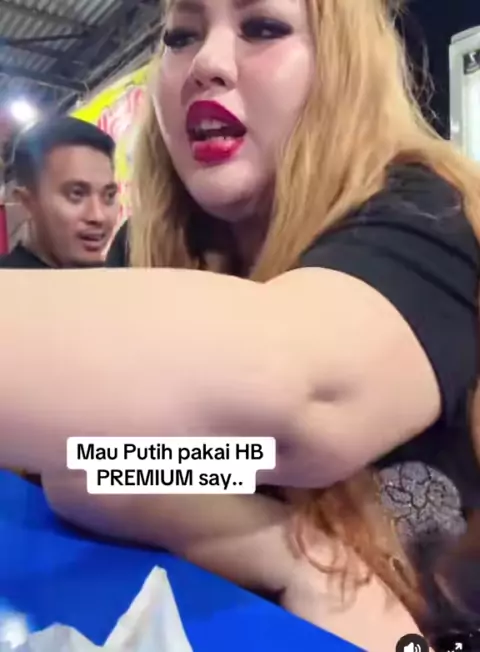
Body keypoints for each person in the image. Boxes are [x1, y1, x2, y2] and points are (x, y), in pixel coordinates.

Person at [1, 0, 480, 648]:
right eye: (181, 36)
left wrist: (174, 469)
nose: (207, 62)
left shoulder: (429, 214)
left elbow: (303, 399)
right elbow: (87, 463)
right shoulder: (150, 242)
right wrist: (299, 554)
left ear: (342, 65)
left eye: (263, 28)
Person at [0, 117, 119, 269]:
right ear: (26, 203)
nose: (98, 216)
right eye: (77, 194)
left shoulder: (124, 280)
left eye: (109, 196)